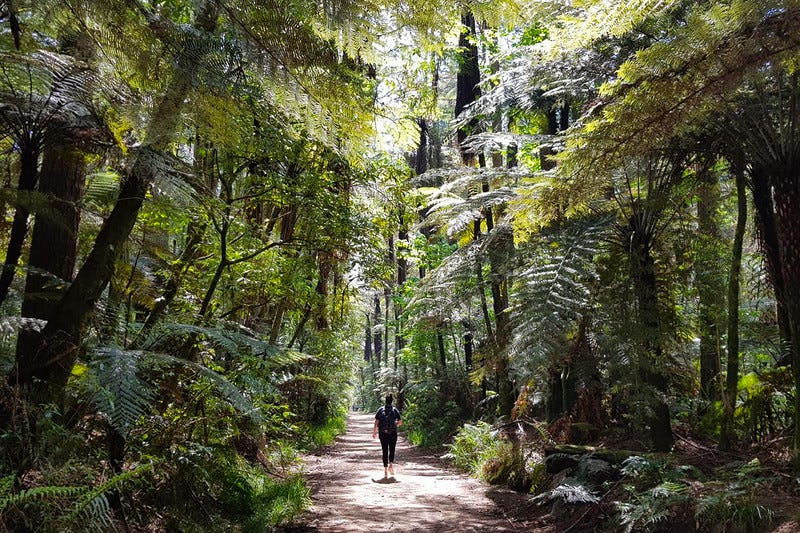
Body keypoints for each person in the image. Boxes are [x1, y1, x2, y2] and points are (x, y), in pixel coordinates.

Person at [372, 394, 402, 477]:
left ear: (385, 401)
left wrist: (374, 432)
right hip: (393, 433)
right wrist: (394, 424)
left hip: (382, 433)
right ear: (392, 401)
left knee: (384, 450)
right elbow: (400, 422)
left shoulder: (380, 409)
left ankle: (385, 470)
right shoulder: (395, 410)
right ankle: (391, 466)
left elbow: (376, 422)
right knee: (392, 449)